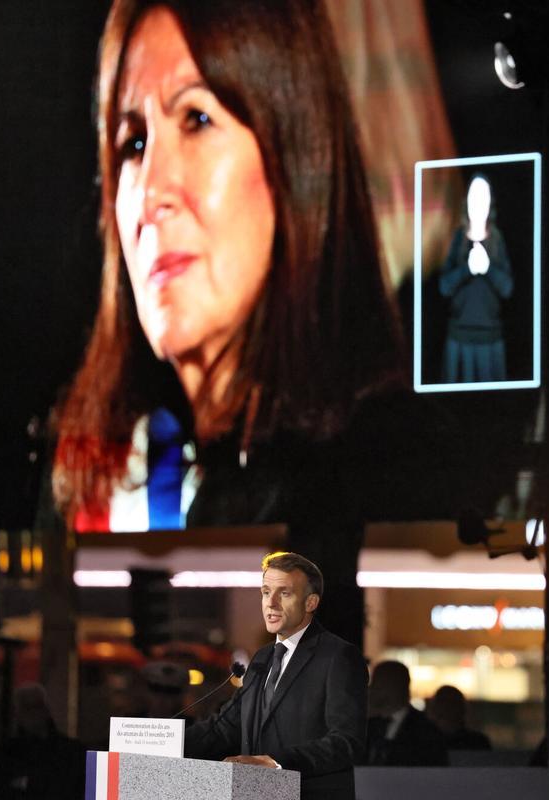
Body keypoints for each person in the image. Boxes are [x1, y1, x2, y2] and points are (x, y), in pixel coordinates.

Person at [52, 0, 407, 536]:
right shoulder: (92, 474)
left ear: (294, 155)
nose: (151, 194)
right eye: (133, 143)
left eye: (197, 120)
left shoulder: (385, 475)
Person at [184, 553, 366, 800]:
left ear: (310, 602)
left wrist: (276, 762)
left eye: (285, 593)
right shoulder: (262, 658)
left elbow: (347, 742)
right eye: (266, 592)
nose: (271, 603)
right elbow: (224, 728)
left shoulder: (339, 656)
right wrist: (159, 742)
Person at [437, 173, 514, 383]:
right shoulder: (457, 239)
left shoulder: (497, 239)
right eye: (474, 196)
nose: (478, 203)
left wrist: (487, 268)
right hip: (459, 342)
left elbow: (507, 288)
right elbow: (444, 287)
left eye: (483, 197)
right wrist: (467, 269)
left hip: (490, 342)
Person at [0, 684, 86, 800]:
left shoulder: (72, 752)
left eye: (37, 706)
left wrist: (26, 783)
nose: (33, 712)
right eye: (27, 707)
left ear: (46, 710)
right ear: (17, 714)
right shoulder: (3, 755)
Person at [363, 660, 447, 766]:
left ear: (398, 685)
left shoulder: (426, 731)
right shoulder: (367, 727)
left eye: (379, 682)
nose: (372, 688)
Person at [426, 685, 491, 751]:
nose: (447, 709)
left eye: (452, 704)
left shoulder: (426, 742)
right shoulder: (478, 741)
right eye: (443, 703)